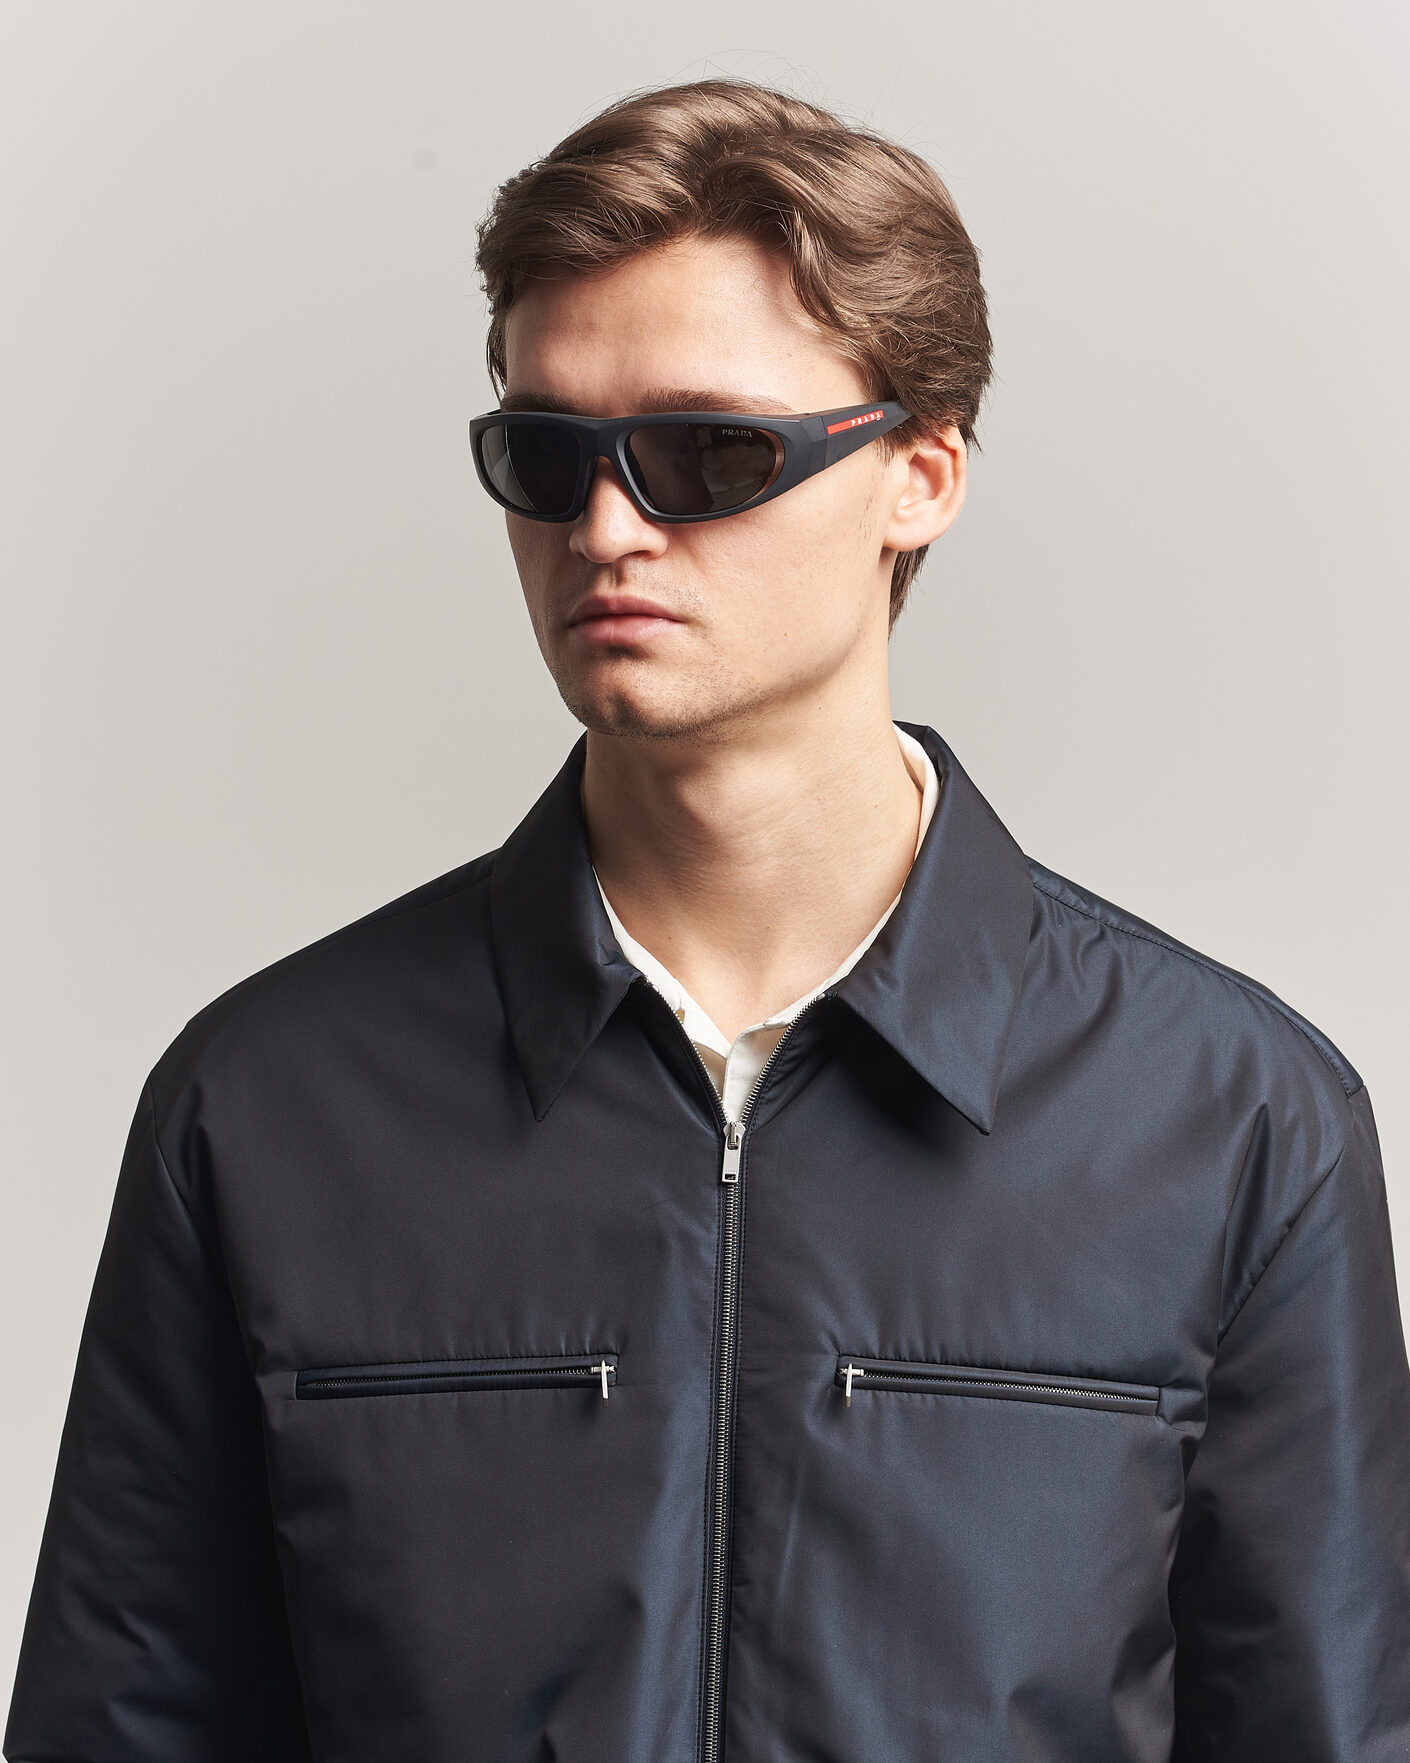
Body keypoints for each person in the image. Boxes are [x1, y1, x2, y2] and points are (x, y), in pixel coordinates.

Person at [6, 76, 1409, 1763]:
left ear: (919, 475)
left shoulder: (1232, 1120)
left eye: (707, 455)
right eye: (548, 458)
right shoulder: (265, 1106)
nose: (605, 530)